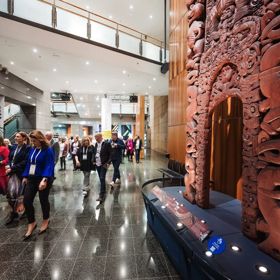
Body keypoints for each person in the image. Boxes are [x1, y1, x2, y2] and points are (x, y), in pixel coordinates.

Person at [22, 130, 54, 239]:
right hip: (31, 178)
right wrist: (25, 176)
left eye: (34, 140)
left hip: (43, 179)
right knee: (26, 200)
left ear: (40, 139)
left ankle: (46, 219)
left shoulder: (48, 150)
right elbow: (29, 163)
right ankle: (32, 222)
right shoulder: (32, 149)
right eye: (31, 140)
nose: (32, 142)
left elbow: (49, 165)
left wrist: (44, 179)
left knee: (43, 200)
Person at [5, 132, 31, 225]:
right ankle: (14, 212)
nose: (15, 138)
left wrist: (12, 167)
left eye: (18, 136)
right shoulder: (14, 147)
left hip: (20, 174)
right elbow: (9, 158)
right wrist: (8, 165)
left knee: (18, 194)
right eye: (15, 136)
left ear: (24, 138)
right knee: (10, 194)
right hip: (12, 173)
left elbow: (25, 162)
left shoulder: (28, 148)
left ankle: (16, 213)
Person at [93, 133, 111, 202]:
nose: (96, 139)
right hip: (97, 164)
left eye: (96, 137)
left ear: (100, 137)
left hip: (104, 164)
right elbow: (95, 152)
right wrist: (93, 160)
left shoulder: (106, 144)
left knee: (102, 177)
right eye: (95, 138)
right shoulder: (96, 144)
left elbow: (110, 154)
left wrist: (108, 163)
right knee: (101, 179)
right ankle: (103, 189)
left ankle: (101, 194)